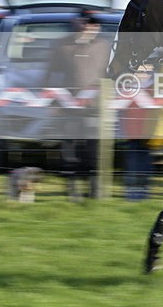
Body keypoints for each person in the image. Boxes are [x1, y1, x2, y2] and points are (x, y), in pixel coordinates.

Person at [43, 11, 112, 200]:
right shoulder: (62, 46)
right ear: (78, 23)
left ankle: (94, 190)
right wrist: (54, 102)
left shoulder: (104, 46)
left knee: (94, 148)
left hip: (95, 107)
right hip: (68, 106)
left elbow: (110, 74)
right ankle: (72, 189)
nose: (90, 27)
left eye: (94, 24)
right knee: (70, 149)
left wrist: (108, 98)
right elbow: (51, 76)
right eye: (86, 23)